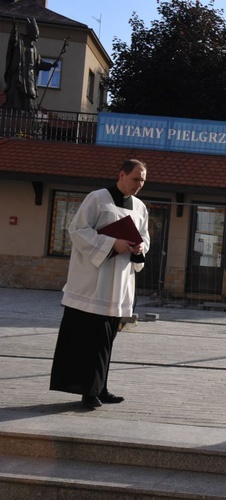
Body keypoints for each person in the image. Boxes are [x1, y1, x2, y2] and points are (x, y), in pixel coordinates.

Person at [49, 159, 149, 408]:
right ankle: (88, 391)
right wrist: (112, 243)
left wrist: (139, 247)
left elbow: (145, 238)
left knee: (106, 340)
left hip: (119, 284)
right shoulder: (97, 198)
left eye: (143, 181)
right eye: (136, 179)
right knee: (89, 340)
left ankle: (101, 387)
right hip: (93, 284)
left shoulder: (139, 207)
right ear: (122, 174)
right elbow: (78, 230)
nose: (139, 185)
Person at [3, 17, 57, 111]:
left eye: (37, 35)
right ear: (30, 34)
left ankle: (27, 121)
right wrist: (14, 30)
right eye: (35, 34)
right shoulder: (20, 42)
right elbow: (12, 43)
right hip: (18, 77)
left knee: (29, 105)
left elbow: (39, 63)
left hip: (29, 80)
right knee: (15, 102)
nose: (36, 37)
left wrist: (51, 65)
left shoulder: (34, 49)